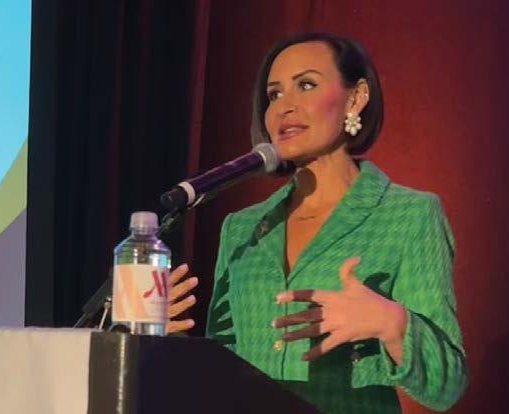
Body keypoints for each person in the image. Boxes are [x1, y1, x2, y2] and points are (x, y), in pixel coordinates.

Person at [167, 32, 467, 414]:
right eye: (274, 94)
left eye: (306, 85)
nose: (284, 107)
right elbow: (223, 378)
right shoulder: (241, 229)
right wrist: (167, 344)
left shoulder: (410, 214)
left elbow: (447, 386)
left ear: (356, 98)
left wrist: (392, 323)